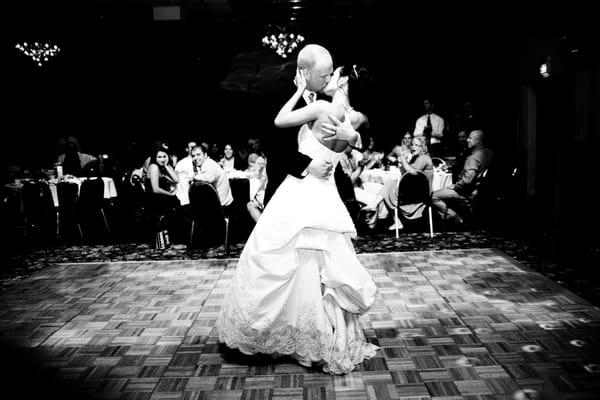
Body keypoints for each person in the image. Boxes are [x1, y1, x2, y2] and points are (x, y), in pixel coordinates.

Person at [217, 58, 378, 374]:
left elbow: (279, 122)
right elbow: (364, 127)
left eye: (333, 74)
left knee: (294, 258)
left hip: (301, 192)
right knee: (321, 262)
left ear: (342, 82)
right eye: (326, 73)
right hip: (323, 193)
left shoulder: (320, 109)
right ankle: (327, 333)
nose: (328, 76)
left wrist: (302, 92)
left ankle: (301, 333)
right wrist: (353, 136)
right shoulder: (353, 116)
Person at [362, 136, 434, 230]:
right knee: (390, 184)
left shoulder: (423, 158)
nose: (413, 147)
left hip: (420, 195)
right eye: (412, 144)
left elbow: (412, 172)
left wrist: (401, 156)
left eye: (417, 145)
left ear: (423, 147)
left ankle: (392, 217)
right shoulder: (418, 158)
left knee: (389, 186)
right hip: (415, 191)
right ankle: (387, 214)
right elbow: (408, 173)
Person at [432, 129, 493, 224]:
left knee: (433, 196)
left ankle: (455, 218)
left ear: (479, 141)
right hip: (479, 191)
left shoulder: (473, 158)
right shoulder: (489, 153)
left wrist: (455, 186)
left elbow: (467, 181)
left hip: (467, 192)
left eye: (470, 138)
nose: (467, 140)